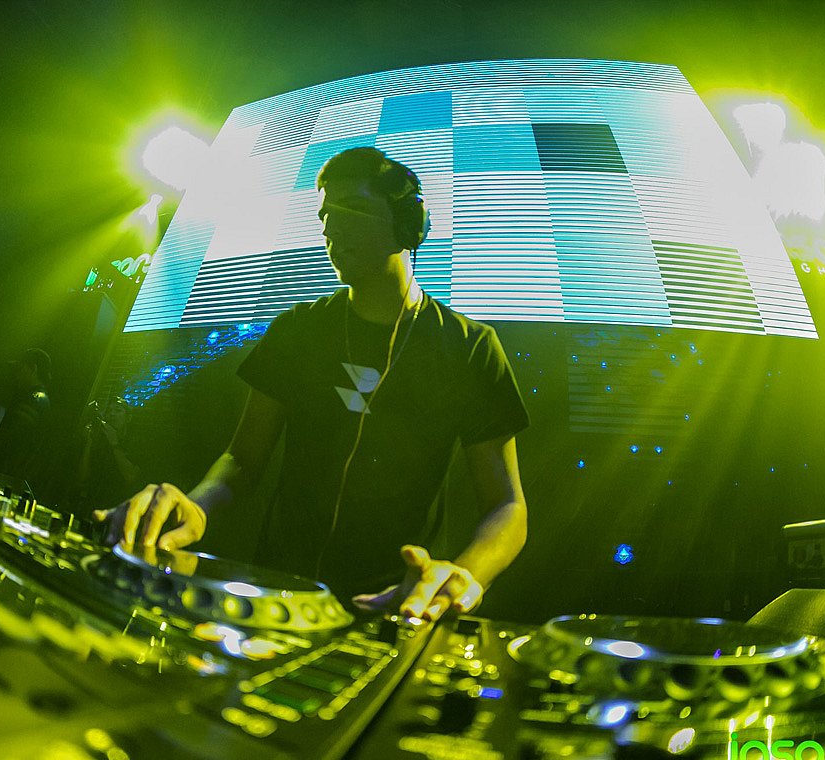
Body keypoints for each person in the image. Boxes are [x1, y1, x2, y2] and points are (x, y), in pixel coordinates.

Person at [97, 147, 529, 621]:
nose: (331, 227)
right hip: (278, 594)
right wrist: (196, 506)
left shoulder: (469, 347)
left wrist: (465, 574)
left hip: (397, 604)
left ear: (409, 224)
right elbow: (242, 459)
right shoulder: (297, 330)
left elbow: (506, 505)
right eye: (325, 214)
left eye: (352, 209)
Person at [0, 347, 52, 484]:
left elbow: (7, 443)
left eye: (20, 368)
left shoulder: (34, 400)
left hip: (5, 477)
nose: (17, 374)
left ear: (33, 369)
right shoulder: (40, 399)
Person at [71, 396, 140, 514]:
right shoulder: (99, 442)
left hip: (117, 511)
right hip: (90, 506)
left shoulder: (133, 444)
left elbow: (131, 477)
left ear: (128, 418)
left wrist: (114, 444)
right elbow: (81, 478)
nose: (112, 414)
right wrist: (88, 444)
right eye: (109, 411)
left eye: (118, 410)